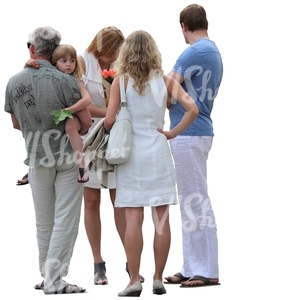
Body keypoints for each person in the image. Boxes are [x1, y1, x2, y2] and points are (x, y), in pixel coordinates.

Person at [104, 30, 199, 297]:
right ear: (153, 51)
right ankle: (158, 277)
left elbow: (109, 121)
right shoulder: (167, 81)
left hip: (131, 155)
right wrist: (173, 132)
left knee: (133, 218)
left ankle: (134, 279)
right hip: (158, 152)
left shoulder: (120, 82)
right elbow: (193, 108)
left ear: (126, 53)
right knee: (161, 219)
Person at [5, 26, 89, 294]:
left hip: (37, 156)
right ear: (55, 51)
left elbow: (17, 124)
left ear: (32, 48)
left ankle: (48, 275)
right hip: (66, 155)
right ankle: (55, 279)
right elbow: (86, 123)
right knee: (66, 218)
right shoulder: (67, 81)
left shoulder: (13, 81)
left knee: (44, 220)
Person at [164, 4, 223, 288]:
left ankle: (207, 269)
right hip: (199, 132)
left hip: (188, 133)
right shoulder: (213, 51)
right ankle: (192, 266)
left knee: (195, 201)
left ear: (183, 26)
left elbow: (168, 90)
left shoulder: (192, 52)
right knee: (191, 200)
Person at [78, 26, 143, 285]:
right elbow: (79, 104)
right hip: (90, 138)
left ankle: (132, 261)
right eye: (110, 53)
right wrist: (109, 113)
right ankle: (98, 261)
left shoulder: (122, 64)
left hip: (116, 139)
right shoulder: (82, 62)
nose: (112, 58)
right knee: (92, 201)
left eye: (116, 53)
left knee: (121, 201)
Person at [16, 44, 93, 185]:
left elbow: (87, 100)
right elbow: (28, 79)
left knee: (70, 127)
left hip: (72, 117)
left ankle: (82, 163)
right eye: (64, 61)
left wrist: (69, 110)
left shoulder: (77, 81)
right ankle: (32, 168)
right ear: (55, 63)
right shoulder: (49, 78)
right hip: (51, 123)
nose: (69, 64)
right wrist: (28, 63)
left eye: (72, 61)